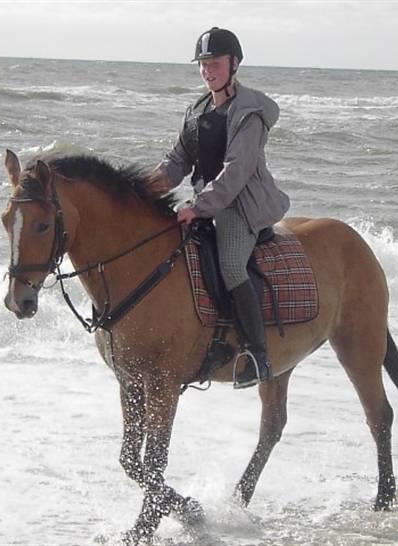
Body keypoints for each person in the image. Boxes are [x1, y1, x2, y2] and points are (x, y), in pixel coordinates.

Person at [149, 27, 290, 388]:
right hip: (205, 201)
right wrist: (146, 187)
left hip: (240, 206)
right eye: (203, 64)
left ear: (235, 64)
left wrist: (197, 206)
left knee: (229, 264)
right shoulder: (197, 109)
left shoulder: (250, 112)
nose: (208, 70)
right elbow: (178, 160)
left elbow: (236, 171)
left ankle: (258, 356)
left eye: (214, 63)